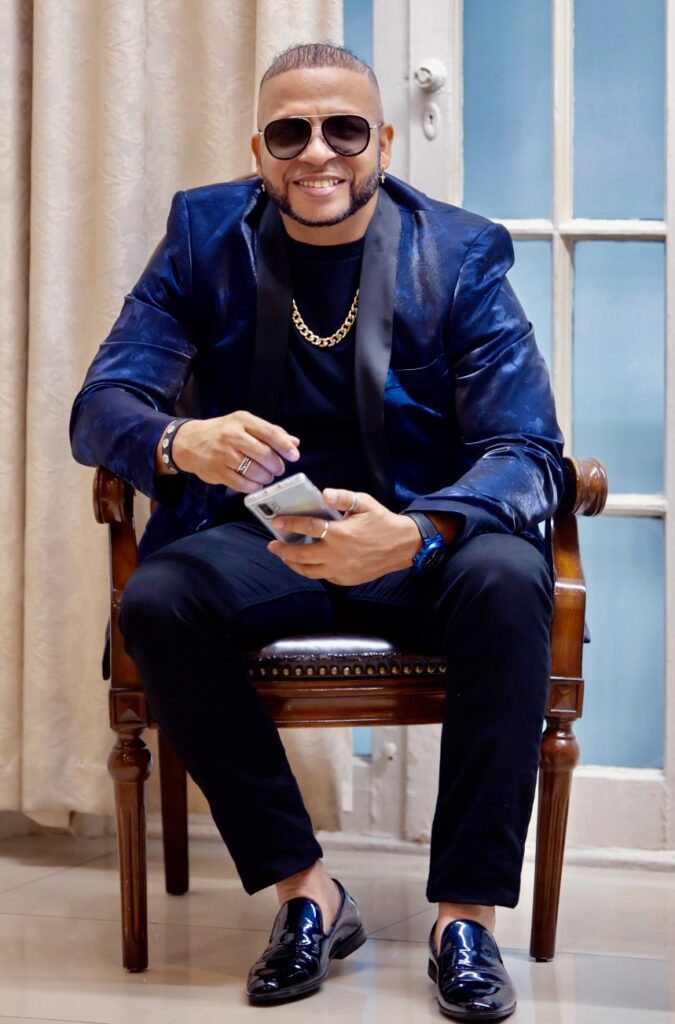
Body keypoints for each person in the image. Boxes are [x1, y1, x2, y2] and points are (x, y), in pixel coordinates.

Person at [70, 42, 563, 1022]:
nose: (318, 153)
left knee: (510, 579)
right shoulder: (203, 235)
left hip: (417, 536)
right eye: (289, 132)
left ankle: (464, 918)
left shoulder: (460, 251)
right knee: (158, 599)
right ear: (259, 148)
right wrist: (181, 439)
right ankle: (308, 892)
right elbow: (102, 405)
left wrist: (418, 532)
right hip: (268, 536)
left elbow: (527, 449)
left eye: (344, 129)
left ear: (382, 141)